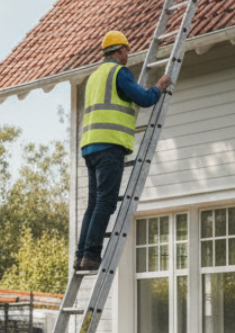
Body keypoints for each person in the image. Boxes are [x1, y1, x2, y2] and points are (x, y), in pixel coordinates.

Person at [74, 31, 172, 272]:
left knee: (94, 202)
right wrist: (159, 87)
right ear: (119, 51)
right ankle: (92, 255)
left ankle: (81, 255)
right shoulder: (119, 72)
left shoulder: (94, 77)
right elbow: (144, 98)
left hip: (90, 145)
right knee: (106, 203)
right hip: (110, 145)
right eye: (127, 50)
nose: (128, 54)